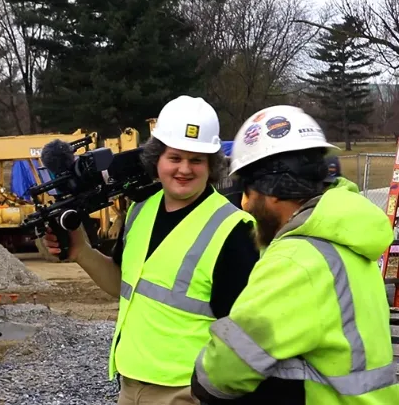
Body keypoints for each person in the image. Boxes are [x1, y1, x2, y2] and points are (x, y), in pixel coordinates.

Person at [43, 95, 268, 404]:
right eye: (175, 158)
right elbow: (122, 283)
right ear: (156, 159)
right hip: (130, 387)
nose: (184, 169)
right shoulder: (141, 211)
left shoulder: (234, 230)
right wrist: (81, 251)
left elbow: (245, 335)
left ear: (212, 165)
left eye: (196, 160)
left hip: (188, 394)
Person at [191, 105, 399, 404]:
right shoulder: (348, 240)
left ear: (273, 188)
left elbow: (225, 370)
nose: (246, 205)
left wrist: (200, 381)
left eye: (247, 190)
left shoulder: (295, 260)